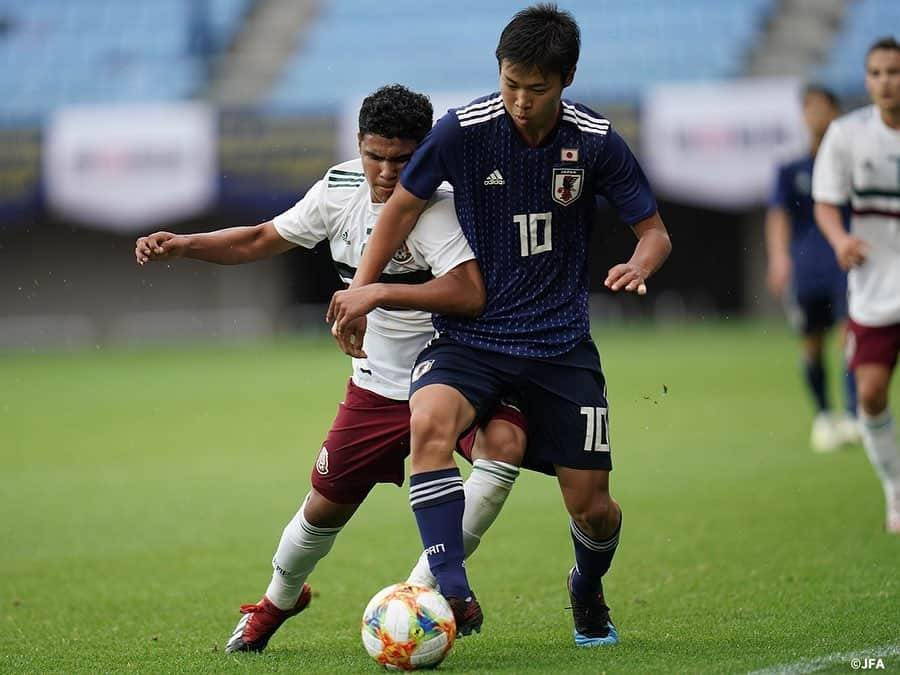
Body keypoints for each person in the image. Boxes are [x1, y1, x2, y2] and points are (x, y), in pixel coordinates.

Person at [134, 84, 528, 651]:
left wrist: (376, 294)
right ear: (359, 147)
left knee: (504, 447)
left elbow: (469, 294)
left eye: (403, 158)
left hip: (455, 376)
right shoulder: (339, 187)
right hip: (376, 387)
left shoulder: (441, 205)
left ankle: (424, 595)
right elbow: (262, 238)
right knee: (321, 511)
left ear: (426, 152)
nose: (387, 171)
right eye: (376, 155)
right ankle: (277, 601)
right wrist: (187, 243)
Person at [328, 4, 672, 647]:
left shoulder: (596, 141)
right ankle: (451, 587)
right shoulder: (465, 129)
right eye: (510, 82)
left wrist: (637, 262)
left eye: (535, 88)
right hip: (472, 338)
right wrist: (361, 290)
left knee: (592, 509)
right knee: (428, 422)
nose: (518, 98)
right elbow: (400, 207)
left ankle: (587, 584)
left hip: (559, 345)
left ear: (565, 78)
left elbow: (654, 233)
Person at [812, 36, 900, 534]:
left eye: (894, 71)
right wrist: (840, 238)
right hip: (875, 289)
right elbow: (826, 202)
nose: (885, 81)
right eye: (876, 73)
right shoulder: (847, 134)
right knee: (869, 394)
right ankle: (895, 489)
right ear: (867, 80)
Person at [765, 85, 859, 452]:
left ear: (835, 112)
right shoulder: (791, 169)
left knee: (850, 337)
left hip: (847, 263)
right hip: (807, 268)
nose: (816, 115)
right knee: (812, 344)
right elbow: (778, 216)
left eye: (822, 108)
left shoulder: (852, 164)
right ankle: (824, 415)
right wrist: (778, 257)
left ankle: (853, 414)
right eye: (809, 109)